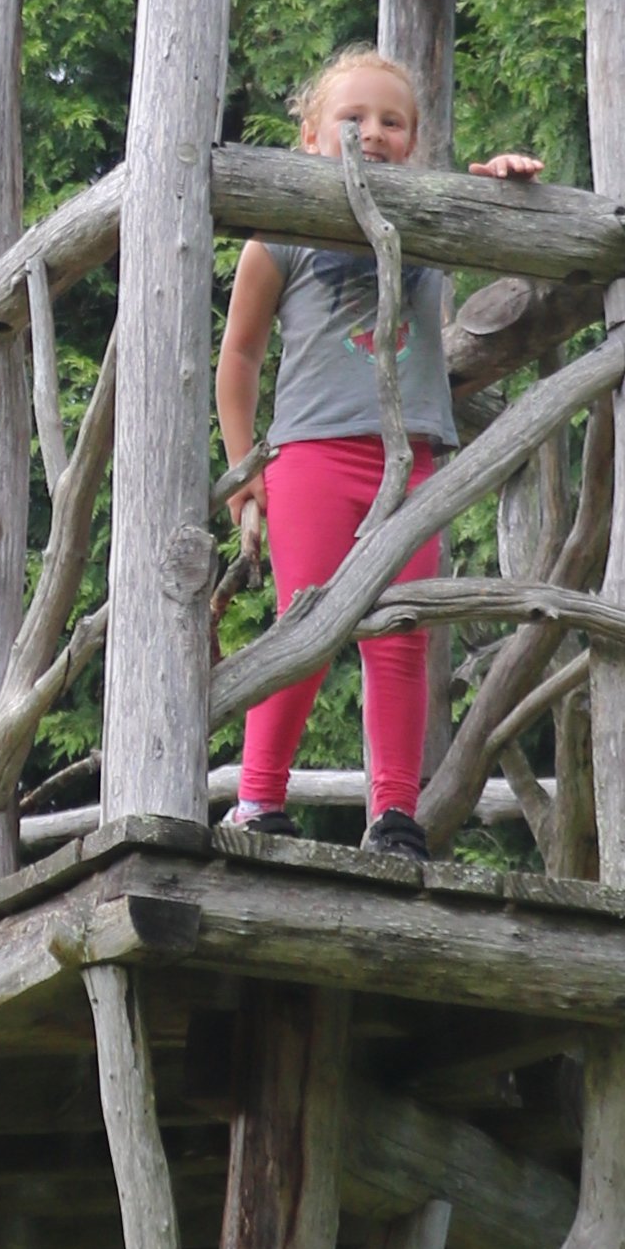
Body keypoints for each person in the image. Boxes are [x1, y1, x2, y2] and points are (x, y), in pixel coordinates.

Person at [215, 45, 546, 858]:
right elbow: (240, 359)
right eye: (352, 119)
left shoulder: (430, 223)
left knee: (399, 636)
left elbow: (502, 229)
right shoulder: (280, 234)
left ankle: (393, 814)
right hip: (312, 459)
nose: (374, 132)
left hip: (413, 463)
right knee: (306, 627)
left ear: (416, 140)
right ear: (309, 137)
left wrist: (504, 185)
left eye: (392, 121)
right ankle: (258, 800)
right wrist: (243, 472)